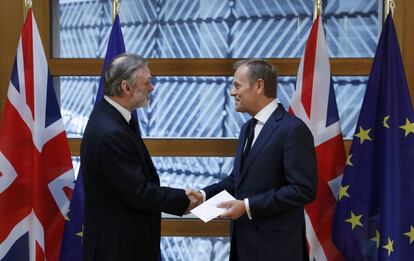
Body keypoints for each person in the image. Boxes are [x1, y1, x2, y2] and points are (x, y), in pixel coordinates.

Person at [187, 59, 317, 261]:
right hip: (243, 246)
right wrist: (203, 196)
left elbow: (302, 189)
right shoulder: (247, 128)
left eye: (237, 85)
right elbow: (236, 181)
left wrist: (247, 206)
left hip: (277, 251)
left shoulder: (293, 129)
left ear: (259, 86)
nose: (232, 92)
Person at [81, 53, 196, 261]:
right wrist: (183, 200)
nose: (152, 88)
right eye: (148, 82)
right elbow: (138, 192)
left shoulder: (110, 115)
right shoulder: (111, 132)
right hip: (117, 249)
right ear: (126, 87)